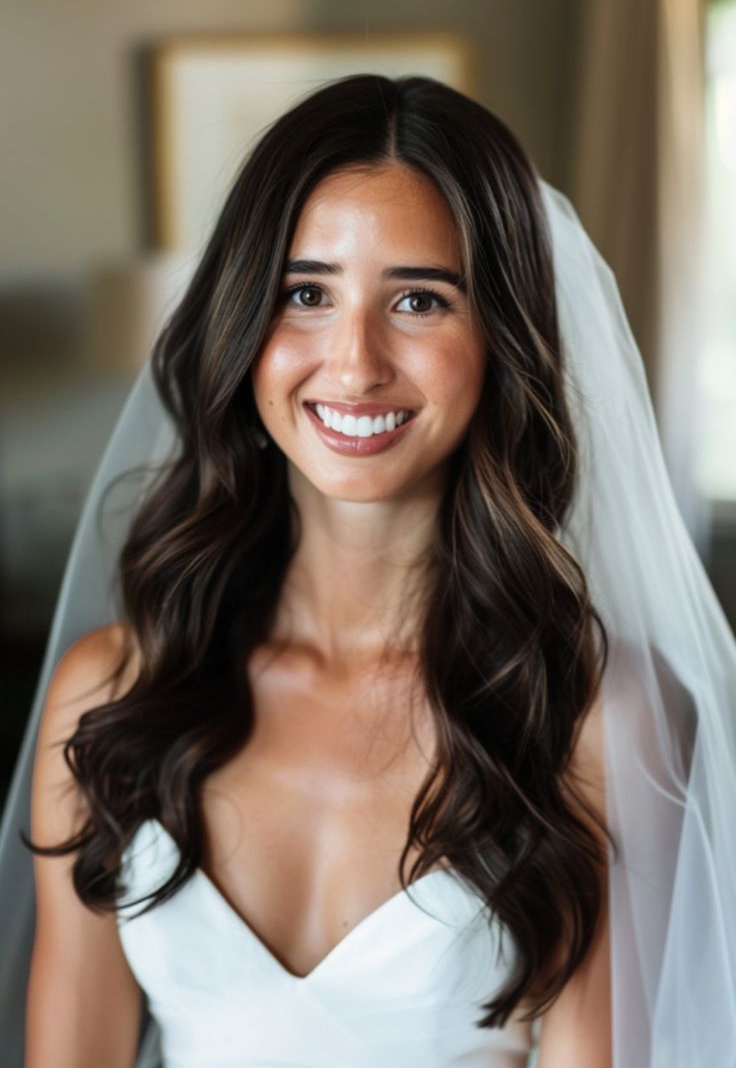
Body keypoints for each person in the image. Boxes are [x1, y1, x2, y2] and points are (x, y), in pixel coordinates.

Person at [1, 73, 734, 1068]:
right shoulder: (114, 694)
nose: (353, 363)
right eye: (305, 293)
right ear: (241, 326)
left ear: (502, 342)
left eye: (419, 300)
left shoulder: (597, 718)